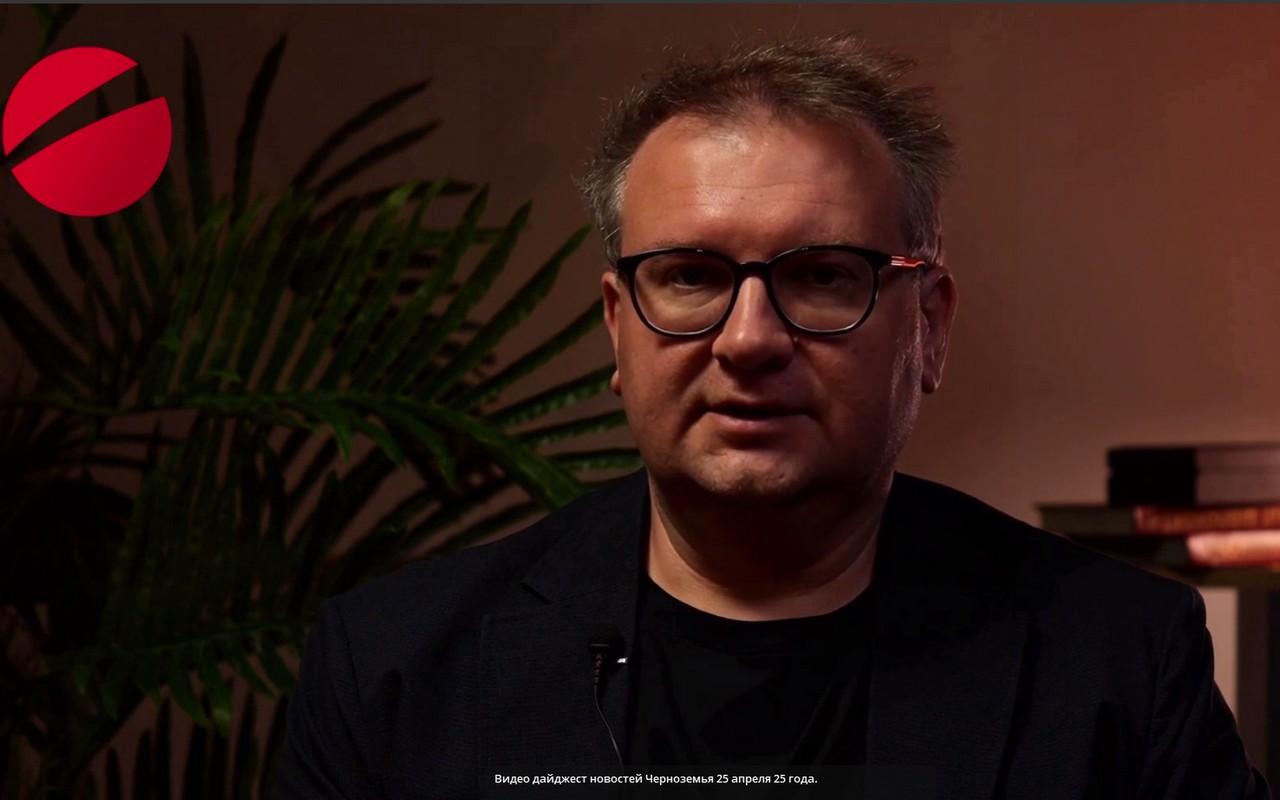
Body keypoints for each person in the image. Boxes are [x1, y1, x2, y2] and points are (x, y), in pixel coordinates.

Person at [273, 35, 1269, 799]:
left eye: (823, 275)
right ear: (618, 326)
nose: (749, 339)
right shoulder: (392, 667)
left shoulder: (1118, 657)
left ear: (928, 326)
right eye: (691, 276)